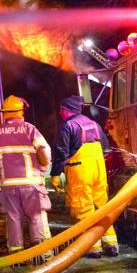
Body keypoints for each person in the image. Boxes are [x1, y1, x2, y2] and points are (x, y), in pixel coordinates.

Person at [0, 95, 52, 255]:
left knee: (13, 218)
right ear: (20, 111)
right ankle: (42, 254)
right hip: (31, 184)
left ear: (5, 113)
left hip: (8, 185)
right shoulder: (29, 129)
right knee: (36, 216)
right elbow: (42, 150)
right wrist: (44, 166)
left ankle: (16, 255)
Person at [50, 95, 118, 258]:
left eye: (61, 110)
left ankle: (92, 247)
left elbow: (61, 152)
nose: (60, 113)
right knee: (102, 206)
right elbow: (106, 148)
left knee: (83, 208)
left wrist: (55, 174)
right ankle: (111, 244)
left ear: (67, 110)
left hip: (80, 171)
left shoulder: (68, 126)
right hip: (98, 170)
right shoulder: (94, 124)